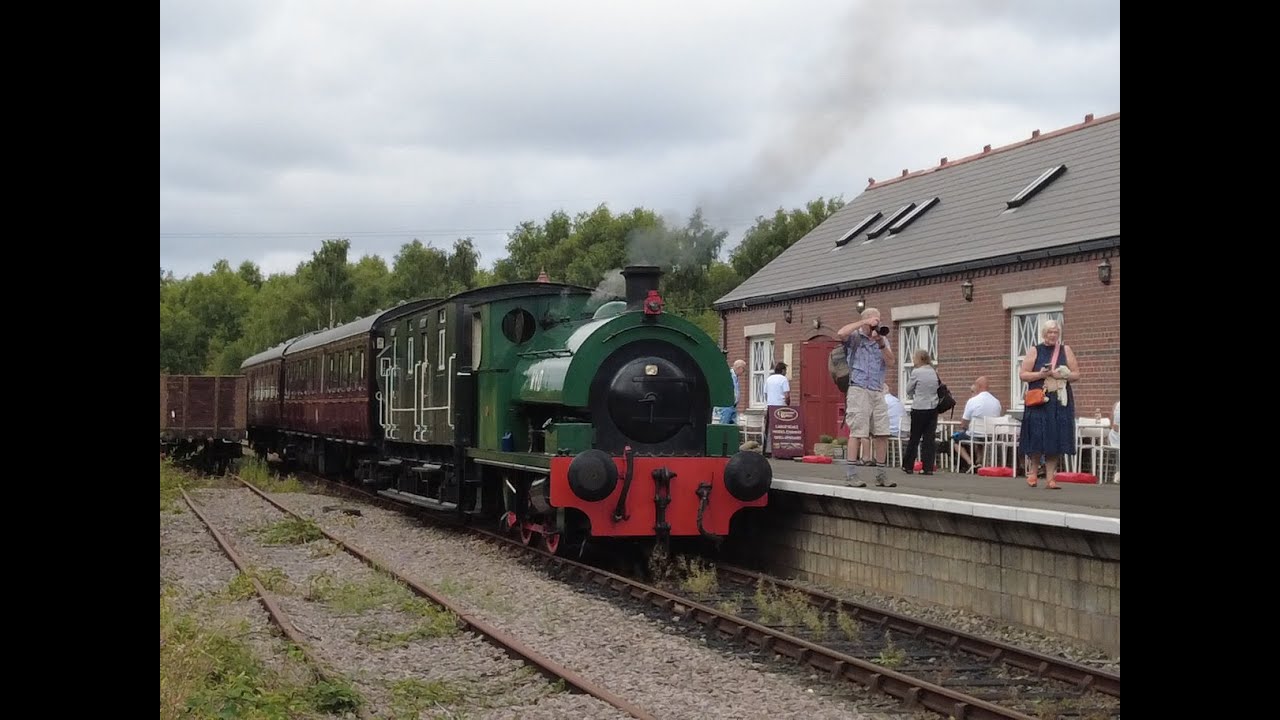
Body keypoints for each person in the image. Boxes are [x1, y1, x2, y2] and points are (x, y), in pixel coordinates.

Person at [836, 307, 896, 488]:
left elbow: (891, 362)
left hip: (877, 389)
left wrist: (881, 343)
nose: (876, 325)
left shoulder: (882, 340)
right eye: (874, 321)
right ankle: (851, 474)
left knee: (882, 431)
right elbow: (841, 333)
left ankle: (881, 474)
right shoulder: (855, 338)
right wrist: (864, 323)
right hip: (859, 388)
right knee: (858, 431)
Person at [1018, 319, 1080, 489]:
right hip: (1039, 400)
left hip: (1059, 401)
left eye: (1055, 332)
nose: (1053, 335)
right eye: (1050, 332)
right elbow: (1023, 375)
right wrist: (1040, 374)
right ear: (1044, 334)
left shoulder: (1065, 350)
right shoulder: (1035, 350)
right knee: (1037, 436)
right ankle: (1033, 473)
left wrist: (1062, 375)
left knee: (1055, 437)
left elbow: (1076, 374)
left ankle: (1051, 478)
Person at [952, 376, 1003, 472]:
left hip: (975, 434)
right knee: (980, 441)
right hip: (991, 436)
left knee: (956, 440)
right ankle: (980, 462)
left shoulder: (973, 401)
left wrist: (966, 427)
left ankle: (970, 463)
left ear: (978, 386)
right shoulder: (996, 402)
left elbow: (963, 423)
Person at [901, 349, 939, 475]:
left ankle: (908, 466)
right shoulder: (934, 372)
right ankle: (928, 467)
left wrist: (914, 394)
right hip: (933, 408)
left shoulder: (916, 372)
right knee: (929, 439)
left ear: (919, 359)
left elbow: (908, 390)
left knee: (915, 437)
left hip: (919, 408)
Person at [762, 362, 790, 455]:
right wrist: (788, 403)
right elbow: (786, 395)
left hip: (770, 406)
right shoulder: (783, 379)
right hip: (780, 406)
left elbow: (765, 393)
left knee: (770, 428)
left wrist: (769, 402)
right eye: (785, 370)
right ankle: (780, 449)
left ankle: (768, 450)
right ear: (782, 370)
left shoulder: (769, 379)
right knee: (781, 428)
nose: (786, 372)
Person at [721, 359, 746, 424]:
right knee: (724, 425)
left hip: (733, 406)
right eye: (744, 369)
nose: (743, 372)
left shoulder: (735, 377)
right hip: (727, 405)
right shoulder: (729, 375)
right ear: (740, 368)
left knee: (733, 427)